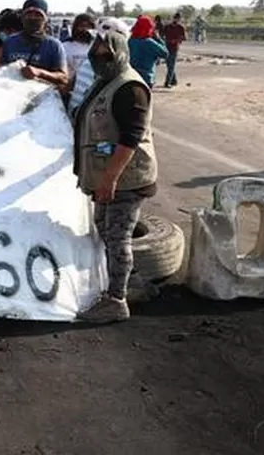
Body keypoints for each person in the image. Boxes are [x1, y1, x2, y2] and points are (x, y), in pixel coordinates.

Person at [73, 30, 157, 323]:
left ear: (120, 53)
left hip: (125, 179)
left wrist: (109, 179)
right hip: (104, 175)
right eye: (94, 56)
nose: (99, 60)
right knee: (104, 228)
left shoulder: (129, 88)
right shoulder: (105, 81)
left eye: (105, 55)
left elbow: (130, 140)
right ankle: (131, 284)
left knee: (117, 236)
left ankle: (116, 301)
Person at [0, 0, 68, 87]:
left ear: (46, 18)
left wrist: (40, 73)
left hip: (42, 98)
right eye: (28, 13)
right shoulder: (9, 42)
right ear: (22, 17)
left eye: (38, 14)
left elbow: (64, 78)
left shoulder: (54, 45)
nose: (32, 18)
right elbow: (1, 71)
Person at [128, 15, 169, 87]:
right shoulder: (149, 42)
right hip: (146, 77)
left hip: (132, 76)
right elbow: (165, 53)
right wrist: (158, 38)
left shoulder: (130, 41)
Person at [162, 13, 187, 88]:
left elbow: (185, 38)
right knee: (169, 65)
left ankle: (167, 82)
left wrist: (176, 40)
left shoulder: (181, 27)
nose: (176, 20)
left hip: (174, 48)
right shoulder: (167, 27)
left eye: (177, 19)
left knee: (171, 65)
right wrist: (165, 40)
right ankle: (174, 80)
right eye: (175, 18)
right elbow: (162, 35)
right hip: (166, 47)